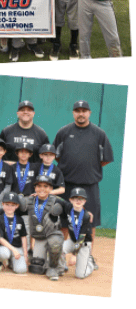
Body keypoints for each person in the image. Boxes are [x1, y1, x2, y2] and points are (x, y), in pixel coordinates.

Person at [53, 100, 114, 260]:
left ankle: (86, 257)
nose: (81, 113)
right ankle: (60, 257)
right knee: (64, 223)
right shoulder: (63, 132)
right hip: (67, 185)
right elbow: (56, 156)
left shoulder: (99, 134)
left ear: (89, 113)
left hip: (89, 185)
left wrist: (90, 168)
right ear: (73, 113)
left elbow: (106, 159)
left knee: (90, 224)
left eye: (84, 110)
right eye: (77, 110)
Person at [0, 192, 28, 274]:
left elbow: (23, 237)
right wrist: (13, 249)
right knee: (4, 254)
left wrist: (25, 254)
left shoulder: (19, 219)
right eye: (7, 204)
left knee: (21, 270)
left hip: (17, 247)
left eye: (12, 205)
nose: (9, 207)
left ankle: (11, 263)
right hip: (4, 248)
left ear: (17, 206)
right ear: (2, 204)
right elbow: (0, 239)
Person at [63, 187, 96, 279]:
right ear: (70, 200)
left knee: (80, 275)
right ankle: (61, 266)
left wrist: (74, 255)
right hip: (73, 241)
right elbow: (59, 199)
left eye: (81, 198)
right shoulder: (68, 207)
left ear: (85, 201)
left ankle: (89, 264)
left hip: (83, 243)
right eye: (75, 198)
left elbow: (81, 237)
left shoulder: (85, 216)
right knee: (57, 248)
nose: (78, 200)